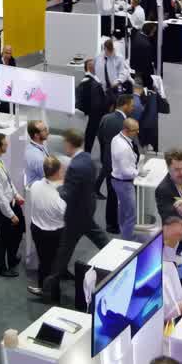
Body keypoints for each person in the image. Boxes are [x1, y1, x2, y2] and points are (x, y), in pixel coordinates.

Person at [45, 130, 111, 304]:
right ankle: (119, 259)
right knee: (100, 239)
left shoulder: (74, 166)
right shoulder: (88, 158)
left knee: (64, 252)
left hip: (75, 216)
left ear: (69, 143)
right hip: (88, 209)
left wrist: (57, 186)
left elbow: (67, 194)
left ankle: (49, 288)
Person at [0, 132, 25, 278]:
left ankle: (12, 258)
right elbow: (0, 196)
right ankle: (1, 267)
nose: (7, 144)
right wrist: (11, 215)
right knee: (3, 238)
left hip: (10, 202)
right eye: (4, 143)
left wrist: (16, 194)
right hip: (0, 209)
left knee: (19, 230)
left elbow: (7, 180)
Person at [28, 156, 67, 297]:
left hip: (36, 230)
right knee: (54, 264)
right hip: (54, 234)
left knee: (43, 261)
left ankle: (42, 287)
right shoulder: (58, 199)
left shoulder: (35, 186)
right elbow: (67, 215)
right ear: (57, 172)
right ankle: (54, 294)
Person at [99, 94, 136, 232]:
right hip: (119, 165)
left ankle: (111, 224)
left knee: (111, 194)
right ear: (125, 105)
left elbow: (100, 138)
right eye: (131, 105)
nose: (133, 108)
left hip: (107, 161)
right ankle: (120, 223)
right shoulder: (126, 124)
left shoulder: (105, 118)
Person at [160, 217, 182, 326]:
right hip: (170, 321)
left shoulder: (168, 251)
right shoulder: (162, 274)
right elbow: (172, 310)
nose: (180, 238)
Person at [111, 118, 141, 241]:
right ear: (126, 130)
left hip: (117, 181)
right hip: (124, 184)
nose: (137, 132)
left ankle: (124, 233)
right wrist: (138, 173)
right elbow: (126, 172)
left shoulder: (116, 138)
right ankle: (127, 240)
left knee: (123, 210)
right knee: (131, 215)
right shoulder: (123, 148)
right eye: (135, 130)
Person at [77, 58, 108, 154]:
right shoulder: (90, 83)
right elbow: (96, 102)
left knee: (90, 137)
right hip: (95, 115)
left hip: (92, 115)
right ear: (90, 67)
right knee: (93, 136)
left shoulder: (90, 81)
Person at [131, 76, 170, 152]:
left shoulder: (152, 95)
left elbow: (166, 109)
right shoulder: (152, 95)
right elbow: (166, 109)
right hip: (146, 133)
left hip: (144, 133)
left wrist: (160, 93)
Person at [129, 22, 157, 88]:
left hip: (136, 67)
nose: (153, 33)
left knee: (138, 87)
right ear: (149, 31)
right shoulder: (147, 45)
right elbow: (147, 63)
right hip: (143, 71)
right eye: (153, 31)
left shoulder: (137, 35)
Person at [24, 120, 50, 188]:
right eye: (44, 130)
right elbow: (48, 177)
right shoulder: (36, 156)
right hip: (39, 189)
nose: (47, 132)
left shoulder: (37, 146)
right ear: (36, 135)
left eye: (46, 129)